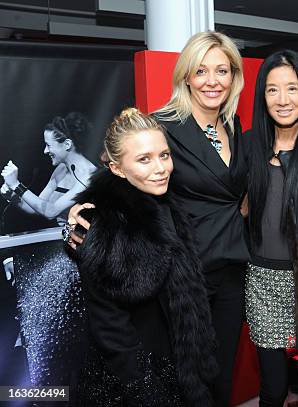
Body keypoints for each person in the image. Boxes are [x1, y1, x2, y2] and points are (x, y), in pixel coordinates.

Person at [67, 31, 248, 406]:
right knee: (168, 373)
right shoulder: (163, 126)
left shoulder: (234, 125)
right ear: (186, 76)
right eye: (201, 71)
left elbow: (233, 194)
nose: (212, 80)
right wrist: (81, 217)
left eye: (222, 70)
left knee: (215, 377)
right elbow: (125, 176)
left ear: (234, 76)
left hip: (222, 267)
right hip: (187, 269)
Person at [73, 108, 217, 406]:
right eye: (144, 159)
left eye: (164, 155)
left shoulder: (167, 203)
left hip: (183, 365)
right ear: (116, 168)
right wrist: (146, 388)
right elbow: (110, 326)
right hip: (141, 378)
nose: (161, 167)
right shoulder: (103, 224)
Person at [244, 49, 298, 406]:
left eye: (292, 89)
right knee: (274, 387)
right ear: (262, 96)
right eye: (272, 90)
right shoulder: (247, 146)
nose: (283, 100)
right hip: (262, 280)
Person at [1, 112, 96, 226]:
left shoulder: (90, 176)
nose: (45, 151)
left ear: (67, 144)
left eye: (49, 145)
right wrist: (12, 196)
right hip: (61, 237)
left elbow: (50, 212)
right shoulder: (61, 169)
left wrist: (16, 185)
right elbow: (37, 208)